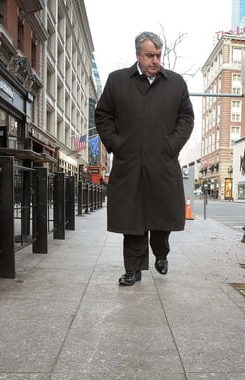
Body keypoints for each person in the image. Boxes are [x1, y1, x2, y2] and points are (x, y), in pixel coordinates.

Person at [95, 31, 194, 286]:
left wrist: (171, 146)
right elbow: (103, 115)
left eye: (158, 55)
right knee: (132, 219)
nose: (156, 60)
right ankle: (133, 269)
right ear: (138, 55)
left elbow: (186, 118)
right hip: (130, 164)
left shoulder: (175, 83)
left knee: (163, 216)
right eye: (150, 55)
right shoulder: (117, 81)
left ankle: (161, 252)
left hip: (163, 163)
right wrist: (118, 145)